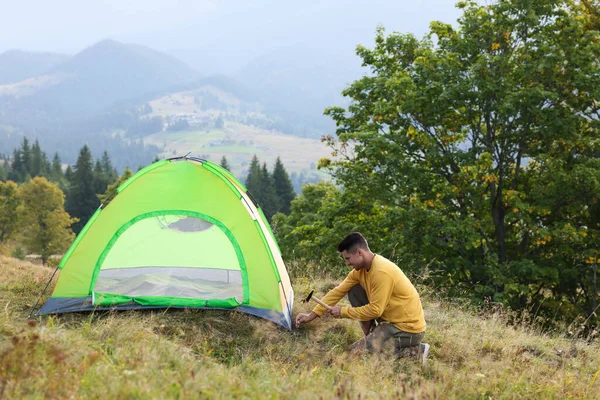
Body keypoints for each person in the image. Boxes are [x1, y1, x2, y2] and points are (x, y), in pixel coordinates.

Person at [295, 232, 430, 365]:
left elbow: (375, 310)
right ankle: (372, 336)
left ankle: (416, 352)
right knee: (353, 289)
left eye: (348, 258)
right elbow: (338, 291)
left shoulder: (381, 272)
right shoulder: (359, 271)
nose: (347, 263)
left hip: (407, 329)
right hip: (390, 322)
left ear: (359, 252)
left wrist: (343, 312)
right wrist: (311, 315)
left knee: (356, 354)